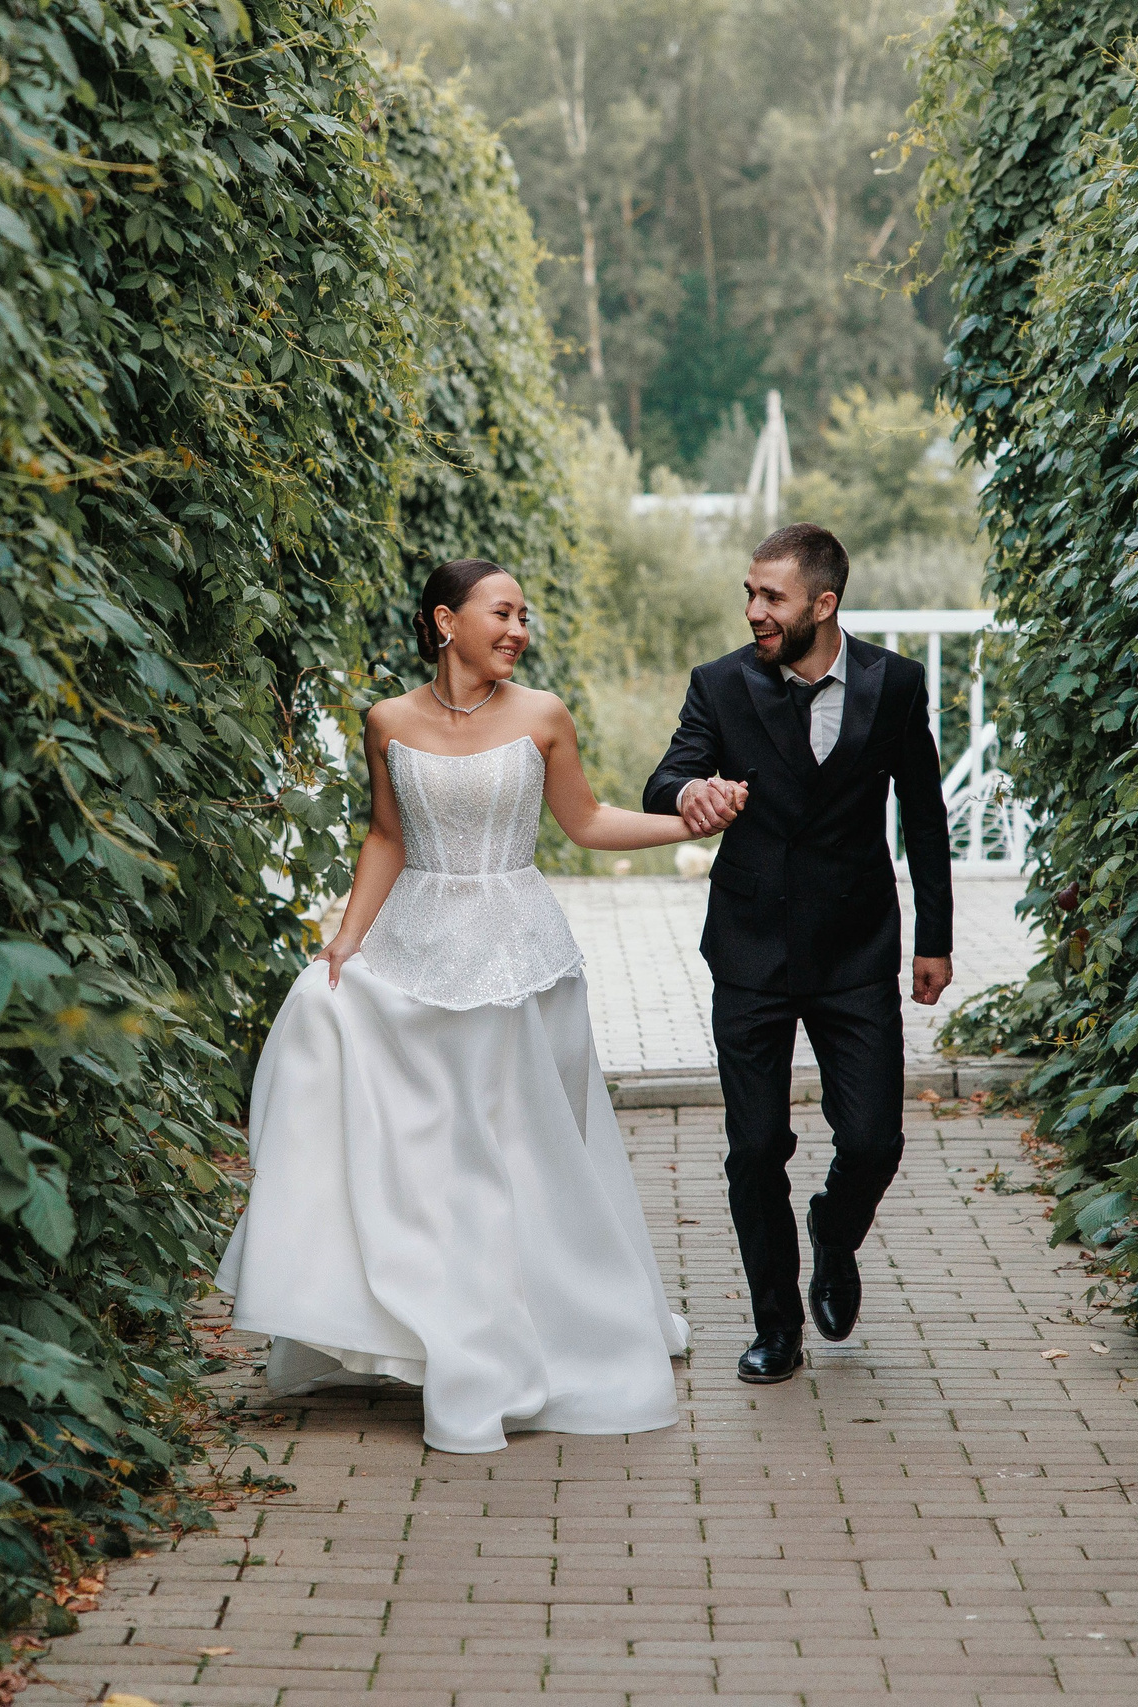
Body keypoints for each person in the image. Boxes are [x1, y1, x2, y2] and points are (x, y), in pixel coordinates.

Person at [216, 559, 705, 1455]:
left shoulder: (543, 715)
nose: (519, 629)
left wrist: (689, 823)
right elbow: (388, 836)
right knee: (426, 1144)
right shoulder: (387, 721)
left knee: (526, 1151)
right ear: (447, 620)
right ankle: (440, 1328)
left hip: (522, 958)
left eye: (525, 615)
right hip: (416, 946)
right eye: (502, 612)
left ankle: (553, 1321)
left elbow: (588, 820)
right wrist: (346, 941)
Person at [643, 523, 953, 1384]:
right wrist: (693, 789)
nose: (753, 611)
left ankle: (833, 1232)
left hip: (857, 950)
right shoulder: (720, 684)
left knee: (875, 1140)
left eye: (771, 597)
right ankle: (775, 1325)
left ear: (824, 603)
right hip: (749, 949)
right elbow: (663, 780)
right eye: (749, 594)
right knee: (754, 1148)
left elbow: (923, 817)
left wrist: (935, 939)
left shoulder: (896, 685)